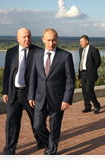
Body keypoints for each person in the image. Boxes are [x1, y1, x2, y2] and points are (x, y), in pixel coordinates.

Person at [28, 29, 75, 160]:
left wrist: (67, 99)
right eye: (48, 40)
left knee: (55, 129)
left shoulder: (65, 56)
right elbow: (32, 77)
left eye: (54, 40)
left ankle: (51, 154)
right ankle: (50, 143)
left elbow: (71, 80)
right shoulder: (37, 55)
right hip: (40, 99)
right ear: (43, 39)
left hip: (58, 100)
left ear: (57, 39)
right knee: (37, 126)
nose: (51, 43)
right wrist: (31, 96)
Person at [0, 28, 44, 160]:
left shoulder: (38, 52)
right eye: (24, 37)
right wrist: (5, 91)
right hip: (14, 93)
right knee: (11, 123)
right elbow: (7, 73)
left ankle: (42, 141)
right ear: (18, 38)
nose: (27, 39)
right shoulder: (11, 52)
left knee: (37, 121)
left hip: (31, 95)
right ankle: (9, 152)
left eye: (29, 36)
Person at [78, 35, 101, 114]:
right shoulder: (80, 50)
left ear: (86, 41)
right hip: (82, 73)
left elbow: (98, 62)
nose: (80, 43)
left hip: (90, 73)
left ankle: (96, 105)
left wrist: (92, 70)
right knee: (84, 90)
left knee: (89, 90)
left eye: (82, 42)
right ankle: (87, 106)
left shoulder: (94, 50)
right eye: (80, 42)